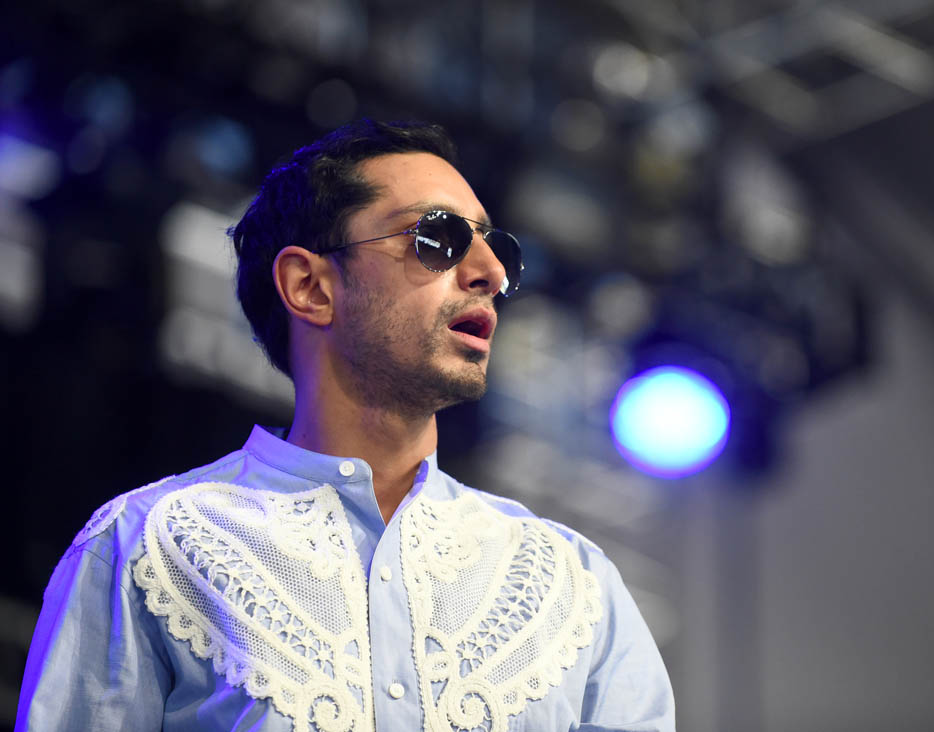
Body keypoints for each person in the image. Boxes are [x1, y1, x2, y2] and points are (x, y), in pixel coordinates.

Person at [16, 119, 675, 731]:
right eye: (438, 238)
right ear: (310, 287)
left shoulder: (572, 585)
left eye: (496, 248)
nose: (491, 273)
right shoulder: (146, 546)